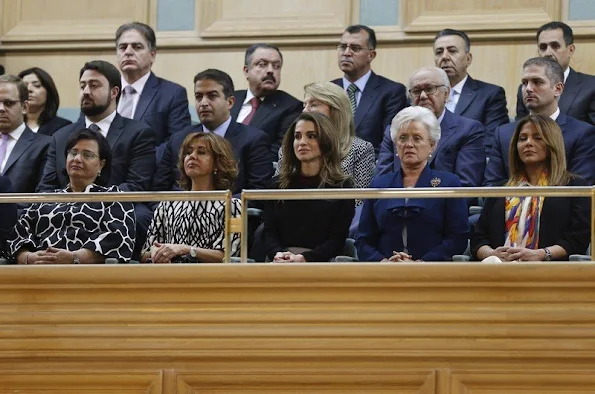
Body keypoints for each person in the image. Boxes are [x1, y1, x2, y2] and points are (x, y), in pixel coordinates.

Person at [356, 106, 469, 262]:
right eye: (402, 138)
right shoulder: (379, 184)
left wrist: (422, 263)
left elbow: (457, 238)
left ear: (432, 146)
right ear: (396, 146)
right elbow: (363, 240)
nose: (409, 144)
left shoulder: (449, 183)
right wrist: (383, 262)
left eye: (417, 138)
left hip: (432, 273)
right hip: (385, 273)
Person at [472, 115, 590, 261]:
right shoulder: (501, 189)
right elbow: (479, 238)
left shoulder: (573, 186)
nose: (528, 143)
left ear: (552, 143)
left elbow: (578, 239)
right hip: (498, 271)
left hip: (550, 272)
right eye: (522, 138)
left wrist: (541, 254)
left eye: (537, 137)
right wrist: (491, 254)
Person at [9, 128, 136, 264]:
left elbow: (119, 239)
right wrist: (29, 257)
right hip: (36, 272)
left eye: (87, 155)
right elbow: (17, 236)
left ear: (101, 165)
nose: (77, 159)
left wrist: (74, 258)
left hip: (87, 276)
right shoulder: (45, 198)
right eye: (73, 153)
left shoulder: (112, 197)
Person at [37, 60, 156, 192]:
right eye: (82, 86)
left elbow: (136, 186)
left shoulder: (138, 134)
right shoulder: (60, 137)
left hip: (116, 210)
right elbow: (45, 189)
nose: (86, 92)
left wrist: (91, 205)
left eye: (94, 86)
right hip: (65, 210)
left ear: (114, 92)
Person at [154, 69, 272, 195]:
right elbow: (159, 191)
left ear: (230, 102)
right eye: (199, 97)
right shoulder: (178, 140)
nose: (203, 103)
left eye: (212, 96)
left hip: (231, 212)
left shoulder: (253, 140)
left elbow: (258, 193)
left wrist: (212, 206)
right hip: (178, 211)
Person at [485, 57, 595, 186]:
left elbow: (581, 190)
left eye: (537, 82)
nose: (528, 89)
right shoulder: (503, 134)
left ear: (558, 89)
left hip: (560, 205)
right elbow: (491, 187)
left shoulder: (582, 133)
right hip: (511, 205)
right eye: (525, 83)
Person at [261, 112, 355, 262]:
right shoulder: (277, 185)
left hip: (321, 263)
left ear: (326, 141)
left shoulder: (342, 186)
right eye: (297, 137)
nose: (302, 142)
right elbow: (268, 232)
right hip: (280, 261)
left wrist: (305, 258)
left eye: (311, 136)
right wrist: (277, 253)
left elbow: (337, 240)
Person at [377, 67, 486, 189]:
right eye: (416, 91)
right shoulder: (395, 129)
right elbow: (382, 182)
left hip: (444, 205)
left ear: (446, 93)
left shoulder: (468, 130)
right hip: (396, 204)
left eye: (430, 89)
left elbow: (466, 186)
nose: (423, 96)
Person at [143, 132, 240, 263]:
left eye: (201, 152)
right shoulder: (168, 204)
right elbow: (144, 254)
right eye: (188, 153)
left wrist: (187, 250)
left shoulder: (231, 205)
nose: (192, 157)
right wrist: (154, 252)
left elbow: (230, 256)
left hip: (210, 279)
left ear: (217, 163)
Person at [276, 82, 375, 196]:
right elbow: (277, 194)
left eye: (313, 105)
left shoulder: (360, 149)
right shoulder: (288, 149)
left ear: (336, 111)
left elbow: (359, 200)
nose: (304, 111)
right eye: (305, 105)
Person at [115, 22, 191, 154]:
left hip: (149, 171)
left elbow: (177, 143)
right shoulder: (104, 92)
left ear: (152, 55)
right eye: (122, 47)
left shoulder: (172, 94)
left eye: (137, 47)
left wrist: (142, 163)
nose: (128, 52)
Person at [332, 24, 407, 152]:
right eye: (343, 47)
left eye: (355, 48)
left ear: (371, 55)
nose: (346, 53)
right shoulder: (327, 91)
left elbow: (388, 144)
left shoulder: (391, 92)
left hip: (371, 168)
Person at [433, 28, 509, 147]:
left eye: (452, 51)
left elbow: (492, 143)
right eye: (439, 52)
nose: (445, 57)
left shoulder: (490, 95)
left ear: (468, 59)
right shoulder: (424, 95)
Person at [231, 43, 302, 160]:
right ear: (246, 70)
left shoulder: (290, 107)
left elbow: (279, 152)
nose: (270, 71)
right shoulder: (231, 99)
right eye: (262, 64)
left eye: (276, 66)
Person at [516, 21, 595, 125]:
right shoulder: (526, 88)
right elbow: (519, 129)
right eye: (543, 47)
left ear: (570, 50)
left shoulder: (591, 86)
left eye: (555, 46)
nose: (548, 53)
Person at [0, 74, 51, 194]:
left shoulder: (45, 145)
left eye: (8, 103)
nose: (1, 108)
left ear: (24, 107)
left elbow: (42, 196)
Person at [17, 67, 72, 136]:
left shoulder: (64, 127)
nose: (29, 89)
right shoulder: (12, 125)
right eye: (24, 86)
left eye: (36, 85)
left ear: (48, 92)